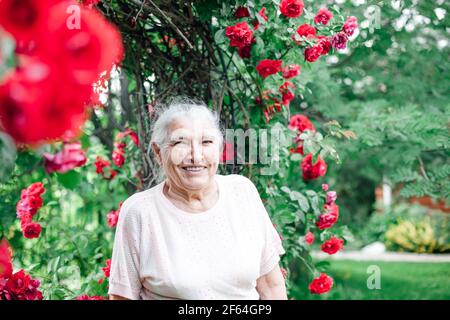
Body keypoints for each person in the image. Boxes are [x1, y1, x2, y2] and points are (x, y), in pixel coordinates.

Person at [108, 98, 286, 300]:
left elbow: (271, 287)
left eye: (206, 142)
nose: (195, 156)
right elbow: (122, 297)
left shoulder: (242, 192)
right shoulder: (140, 212)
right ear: (159, 152)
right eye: (180, 143)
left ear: (219, 149)